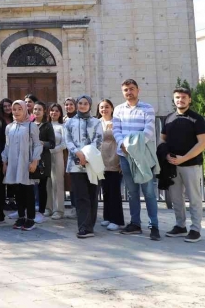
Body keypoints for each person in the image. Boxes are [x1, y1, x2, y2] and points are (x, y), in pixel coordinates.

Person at [112, 79, 160, 241]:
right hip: (124, 154)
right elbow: (116, 130)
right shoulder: (118, 110)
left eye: (132, 89)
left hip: (142, 155)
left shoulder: (147, 108)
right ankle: (135, 223)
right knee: (131, 192)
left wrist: (133, 147)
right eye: (126, 90)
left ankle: (154, 225)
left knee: (148, 191)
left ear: (138, 90)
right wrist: (122, 144)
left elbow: (149, 131)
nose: (129, 92)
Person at [162, 87, 205, 243]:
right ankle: (180, 226)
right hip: (172, 165)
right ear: (174, 99)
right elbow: (163, 141)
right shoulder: (168, 118)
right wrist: (166, 155)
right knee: (176, 198)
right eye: (177, 97)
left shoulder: (197, 119)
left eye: (183, 97)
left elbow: (202, 143)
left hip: (191, 165)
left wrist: (184, 158)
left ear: (189, 100)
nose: (180, 100)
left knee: (194, 197)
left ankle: (195, 229)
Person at [64, 95, 103, 238]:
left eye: (85, 103)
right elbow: (67, 141)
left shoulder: (96, 122)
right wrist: (78, 153)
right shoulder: (69, 122)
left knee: (92, 195)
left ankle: (89, 225)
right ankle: (83, 227)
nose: (82, 105)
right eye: (80, 103)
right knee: (81, 196)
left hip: (92, 162)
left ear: (90, 105)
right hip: (75, 164)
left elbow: (98, 139)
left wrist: (86, 155)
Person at [2, 100, 42, 231]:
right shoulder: (9, 127)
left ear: (25, 110)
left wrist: (35, 161)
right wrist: (5, 162)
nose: (17, 112)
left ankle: (30, 218)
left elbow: (37, 144)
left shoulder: (31, 126)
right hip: (14, 163)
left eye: (20, 109)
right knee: (18, 191)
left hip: (26, 162)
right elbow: (7, 145)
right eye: (14, 109)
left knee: (28, 191)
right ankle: (21, 217)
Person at [97, 99, 124, 231]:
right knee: (106, 191)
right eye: (101, 107)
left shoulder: (117, 122)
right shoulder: (97, 123)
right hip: (101, 160)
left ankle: (117, 219)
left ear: (112, 108)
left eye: (107, 107)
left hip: (114, 158)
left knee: (115, 191)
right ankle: (107, 217)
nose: (104, 110)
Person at [32, 101, 54, 224]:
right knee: (29, 186)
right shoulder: (29, 124)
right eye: (35, 109)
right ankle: (28, 210)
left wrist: (41, 143)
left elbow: (52, 143)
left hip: (43, 160)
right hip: (31, 159)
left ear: (44, 111)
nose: (37, 111)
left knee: (42, 186)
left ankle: (41, 212)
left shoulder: (47, 125)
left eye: (39, 109)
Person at [47, 103, 67, 220]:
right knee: (47, 183)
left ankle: (58, 210)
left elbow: (65, 144)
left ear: (60, 113)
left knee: (58, 182)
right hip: (45, 157)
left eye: (57, 111)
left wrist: (53, 150)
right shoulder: (46, 126)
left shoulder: (62, 127)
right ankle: (48, 208)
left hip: (57, 156)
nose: (54, 113)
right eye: (52, 110)